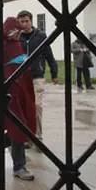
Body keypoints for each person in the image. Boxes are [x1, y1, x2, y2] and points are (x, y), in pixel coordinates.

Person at [3, 17, 38, 181]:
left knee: (18, 127)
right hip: (9, 95)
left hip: (21, 91)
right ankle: (19, 165)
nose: (19, 34)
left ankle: (17, 162)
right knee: (16, 127)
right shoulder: (2, 47)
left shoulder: (17, 44)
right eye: (16, 30)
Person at [17, 10, 58, 148]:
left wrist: (54, 72)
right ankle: (26, 136)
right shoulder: (17, 37)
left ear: (31, 21)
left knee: (36, 106)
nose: (24, 24)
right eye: (21, 22)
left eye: (26, 21)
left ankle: (37, 136)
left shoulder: (40, 36)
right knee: (23, 107)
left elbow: (49, 55)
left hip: (37, 76)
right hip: (21, 77)